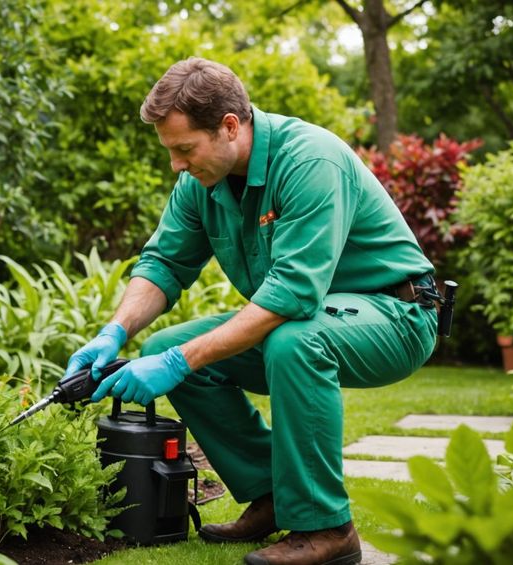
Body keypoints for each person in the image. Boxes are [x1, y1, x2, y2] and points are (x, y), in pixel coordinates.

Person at [64, 57, 439, 565]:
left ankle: (326, 529)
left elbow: (291, 295)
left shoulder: (310, 160)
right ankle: (272, 497)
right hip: (312, 315)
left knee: (293, 340)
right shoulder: (201, 182)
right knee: (164, 347)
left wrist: (180, 363)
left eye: (183, 149)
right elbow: (163, 263)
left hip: (397, 315)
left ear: (230, 127)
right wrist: (115, 331)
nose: (176, 164)